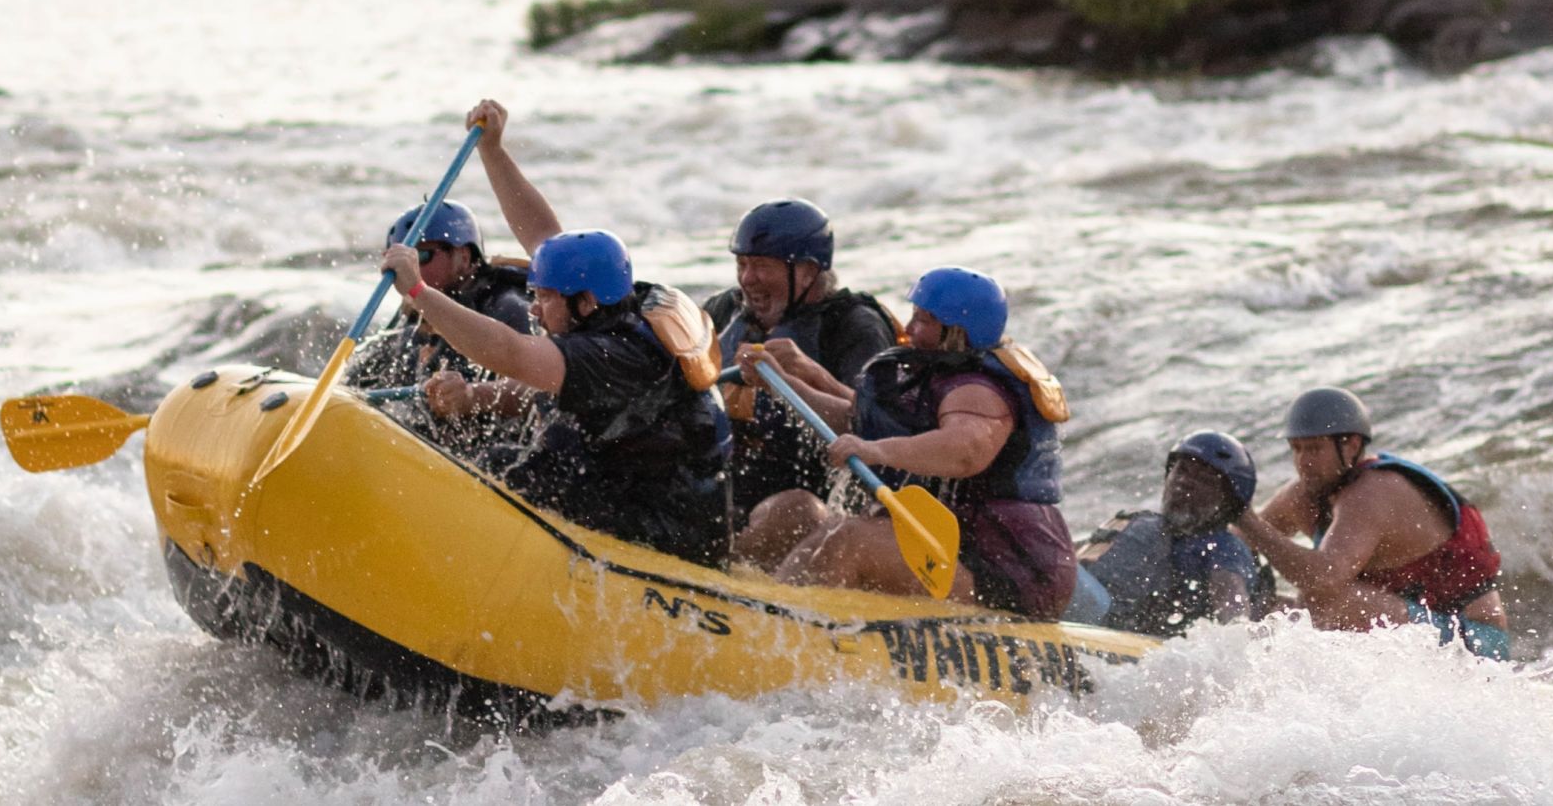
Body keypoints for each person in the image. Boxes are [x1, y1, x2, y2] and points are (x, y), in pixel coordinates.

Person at [376, 99, 733, 566]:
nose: (535, 310)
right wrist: (493, 151)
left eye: (545, 298)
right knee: (502, 460)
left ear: (584, 302)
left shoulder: (614, 353)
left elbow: (510, 352)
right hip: (622, 486)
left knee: (515, 477)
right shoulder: (609, 302)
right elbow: (544, 237)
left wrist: (419, 290)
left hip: (669, 532)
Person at [741, 266, 1077, 619]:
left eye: (924, 320)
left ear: (957, 331)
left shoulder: (980, 391)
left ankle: (769, 631)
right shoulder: (927, 373)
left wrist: (876, 451)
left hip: (1005, 568)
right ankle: (720, 603)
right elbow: (855, 422)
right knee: (794, 510)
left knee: (847, 542)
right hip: (941, 546)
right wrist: (783, 384)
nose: (911, 329)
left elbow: (965, 452)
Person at [1233, 387, 1511, 659]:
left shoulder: (1375, 491)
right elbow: (1235, 546)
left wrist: (1246, 519)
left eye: (1315, 449)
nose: (1303, 462)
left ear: (1351, 446)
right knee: (1263, 610)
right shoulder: (1304, 496)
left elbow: (1323, 579)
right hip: (1402, 628)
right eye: (1297, 449)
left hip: (1472, 644)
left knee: (1326, 600)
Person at [702, 198, 901, 532]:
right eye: (742, 265)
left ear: (808, 271)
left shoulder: (856, 327)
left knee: (795, 510)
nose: (748, 279)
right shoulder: (724, 310)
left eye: (762, 265)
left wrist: (811, 374)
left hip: (812, 502)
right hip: (731, 487)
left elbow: (882, 429)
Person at [1076, 431, 1272, 637]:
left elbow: (1233, 612)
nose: (1185, 483)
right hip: (1081, 617)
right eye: (1181, 471)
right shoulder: (1141, 522)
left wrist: (1238, 637)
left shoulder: (1223, 548)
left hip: (1117, 637)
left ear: (1228, 502)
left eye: (1204, 480)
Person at [343, 199, 533, 390]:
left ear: (464, 257)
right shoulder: (411, 324)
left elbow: (536, 387)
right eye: (403, 259)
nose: (409, 268)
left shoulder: (510, 308)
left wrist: (471, 398)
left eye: (421, 256)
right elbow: (352, 389)